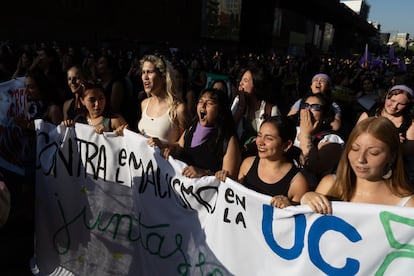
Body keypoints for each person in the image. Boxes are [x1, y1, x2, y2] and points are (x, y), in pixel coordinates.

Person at [300, 117, 414, 214]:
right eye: (355, 149)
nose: (361, 159)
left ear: (392, 156)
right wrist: (304, 202)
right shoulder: (330, 184)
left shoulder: (407, 204)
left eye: (373, 153)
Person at [162, 88, 241, 181]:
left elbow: (230, 181)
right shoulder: (191, 127)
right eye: (201, 101)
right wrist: (169, 148)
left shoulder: (228, 140)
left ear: (220, 110)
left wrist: (204, 173)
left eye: (210, 103)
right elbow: (179, 147)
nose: (203, 106)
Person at [238, 116, 309, 208]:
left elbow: (300, 217)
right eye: (259, 135)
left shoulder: (297, 182)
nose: (260, 142)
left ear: (287, 145)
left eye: (269, 138)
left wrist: (289, 205)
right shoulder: (247, 164)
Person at [357, 84, 414, 185]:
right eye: (392, 100)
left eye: (401, 104)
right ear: (386, 97)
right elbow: (355, 138)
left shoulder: (410, 122)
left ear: (408, 104)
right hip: (365, 164)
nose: (394, 106)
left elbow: (410, 149)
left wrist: (396, 144)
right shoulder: (368, 115)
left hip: (396, 171)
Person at [293, 93, 344, 189]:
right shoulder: (291, 130)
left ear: (325, 115)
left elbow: (314, 166)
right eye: (305, 105)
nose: (308, 110)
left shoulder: (332, 139)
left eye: (315, 107)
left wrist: (305, 134)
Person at [231, 64, 281, 157]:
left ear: (256, 84)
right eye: (241, 80)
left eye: (245, 80)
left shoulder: (270, 109)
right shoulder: (238, 101)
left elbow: (275, 138)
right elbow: (229, 128)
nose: (241, 83)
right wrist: (241, 108)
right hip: (237, 153)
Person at [138, 54, 189, 145]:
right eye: (143, 72)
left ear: (163, 77)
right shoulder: (144, 104)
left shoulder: (178, 109)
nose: (145, 77)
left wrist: (163, 146)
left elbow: (185, 144)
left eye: (150, 72)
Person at [61, 81, 128, 135]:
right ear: (82, 101)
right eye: (92, 100)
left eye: (101, 98)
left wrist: (120, 135)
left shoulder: (115, 121)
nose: (97, 104)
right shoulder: (78, 120)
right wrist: (64, 128)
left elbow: (132, 142)